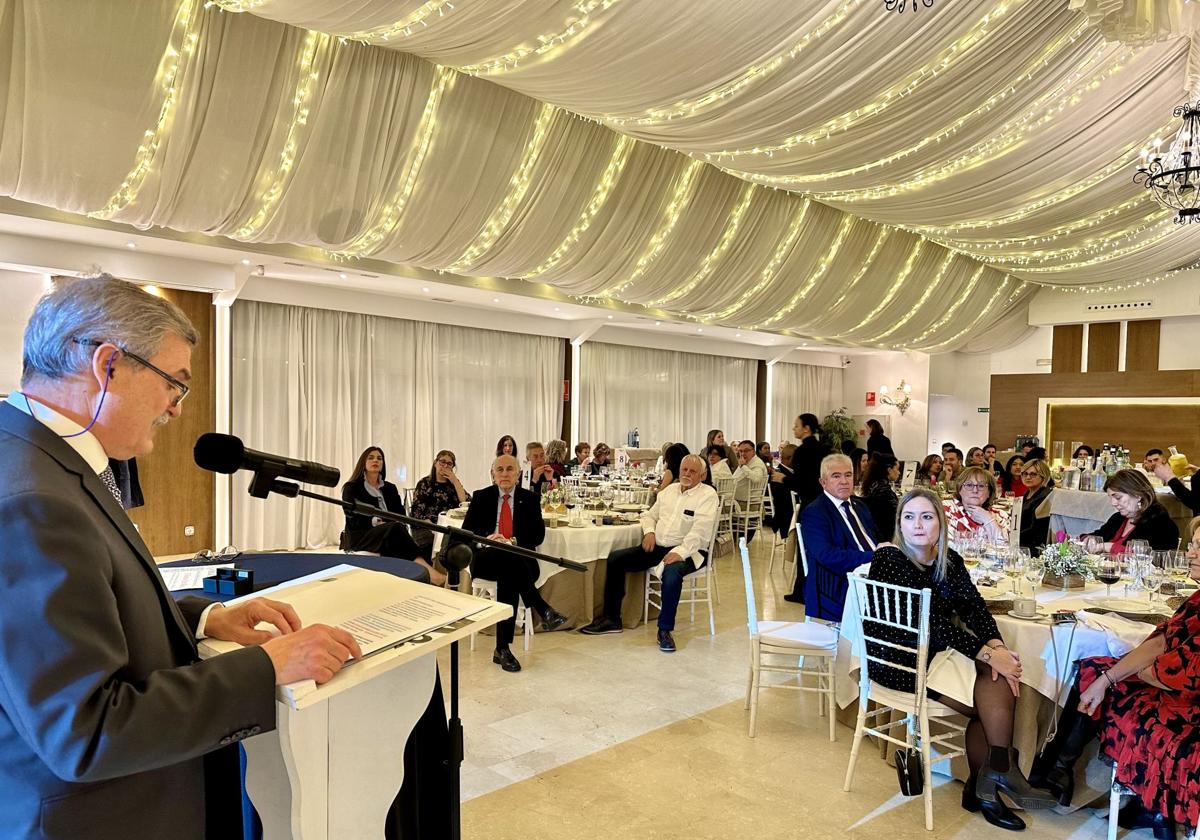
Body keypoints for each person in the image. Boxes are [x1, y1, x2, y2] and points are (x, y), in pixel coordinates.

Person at [0, 275, 361, 839]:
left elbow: (89, 606)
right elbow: (86, 730)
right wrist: (267, 667)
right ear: (108, 364)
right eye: (175, 383)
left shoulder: (37, 456)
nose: (175, 410)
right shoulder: (31, 499)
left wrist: (201, 617)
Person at [867, 489, 1057, 831]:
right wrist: (988, 654)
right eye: (909, 517)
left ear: (941, 521)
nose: (918, 525)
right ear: (899, 524)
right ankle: (992, 779)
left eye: (927, 516)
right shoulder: (890, 559)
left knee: (994, 675)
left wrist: (995, 646)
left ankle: (984, 784)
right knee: (990, 692)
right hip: (902, 660)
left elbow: (975, 608)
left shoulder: (948, 560)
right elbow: (930, 624)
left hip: (937, 654)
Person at [1030, 537, 1200, 837]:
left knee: (1102, 678)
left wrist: (1117, 678)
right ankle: (1059, 769)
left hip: (1189, 708)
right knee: (1096, 669)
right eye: (1192, 544)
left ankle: (1059, 770)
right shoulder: (1197, 598)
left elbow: (1175, 673)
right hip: (1176, 687)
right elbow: (1162, 641)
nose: (1190, 553)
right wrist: (1108, 678)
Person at [579, 455, 718, 652]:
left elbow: (701, 531)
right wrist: (650, 532)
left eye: (693, 471)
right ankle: (612, 619)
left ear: (702, 475)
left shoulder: (707, 495)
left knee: (671, 575)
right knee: (617, 559)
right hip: (659, 546)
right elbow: (650, 516)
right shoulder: (669, 491)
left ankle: (664, 630)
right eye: (684, 469)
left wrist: (680, 552)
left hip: (690, 551)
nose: (687, 474)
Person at [455, 454, 567, 672]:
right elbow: (467, 533)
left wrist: (511, 541)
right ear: (493, 474)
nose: (504, 474)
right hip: (486, 557)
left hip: (521, 560)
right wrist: (487, 539)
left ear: (518, 474)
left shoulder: (531, 499)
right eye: (500, 469)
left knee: (509, 567)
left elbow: (537, 536)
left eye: (509, 469)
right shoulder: (481, 497)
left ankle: (502, 648)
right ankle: (540, 608)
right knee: (507, 559)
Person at [341, 445, 446, 586]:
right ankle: (432, 575)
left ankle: (421, 577)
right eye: (371, 458)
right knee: (396, 531)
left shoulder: (390, 488)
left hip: (389, 532)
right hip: (361, 536)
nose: (375, 461)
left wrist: (388, 525)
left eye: (379, 458)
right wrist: (377, 522)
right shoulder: (352, 487)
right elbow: (353, 519)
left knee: (397, 533)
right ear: (363, 463)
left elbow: (400, 515)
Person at [799, 454, 879, 620]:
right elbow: (827, 555)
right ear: (823, 482)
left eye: (848, 475)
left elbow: (875, 540)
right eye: (836, 476)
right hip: (840, 582)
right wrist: (875, 558)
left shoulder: (860, 506)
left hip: (872, 573)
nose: (844, 481)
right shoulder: (815, 512)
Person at [784, 413, 832, 603]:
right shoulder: (824, 449)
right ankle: (819, 589)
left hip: (809, 505)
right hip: (824, 503)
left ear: (806, 428)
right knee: (820, 547)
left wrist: (784, 479)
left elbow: (803, 482)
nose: (794, 429)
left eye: (796, 426)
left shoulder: (804, 451)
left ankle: (802, 591)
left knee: (804, 548)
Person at [1082, 468, 1180, 553]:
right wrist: (1088, 540)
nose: (1113, 503)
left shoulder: (1162, 525)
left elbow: (1153, 559)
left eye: (1118, 497)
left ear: (1138, 495)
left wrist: (1110, 547)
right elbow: (1097, 536)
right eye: (1110, 498)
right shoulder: (1118, 518)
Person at [410, 450, 470, 551]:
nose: (445, 466)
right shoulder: (425, 483)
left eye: (449, 464)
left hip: (451, 526)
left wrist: (455, 481)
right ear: (435, 463)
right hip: (427, 525)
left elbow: (465, 503)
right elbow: (417, 513)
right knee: (437, 542)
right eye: (442, 462)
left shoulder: (454, 485)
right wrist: (433, 527)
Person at [943, 467, 1010, 546]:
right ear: (960, 489)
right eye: (969, 485)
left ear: (989, 492)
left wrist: (988, 520)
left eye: (981, 486)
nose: (975, 490)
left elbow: (1005, 550)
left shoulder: (1000, 516)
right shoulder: (948, 510)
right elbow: (949, 547)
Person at [860, 453, 900, 542]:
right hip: (888, 536)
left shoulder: (871, 485)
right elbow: (897, 517)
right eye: (897, 469)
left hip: (875, 534)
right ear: (889, 470)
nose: (899, 472)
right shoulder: (885, 492)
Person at [1017, 459, 1053, 551]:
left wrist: (1011, 536)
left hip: (1033, 548)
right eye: (1025, 473)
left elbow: (1036, 529)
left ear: (1043, 476)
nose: (1028, 477)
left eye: (1033, 474)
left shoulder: (1045, 497)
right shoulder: (1028, 493)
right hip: (1021, 542)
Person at [768, 442, 799, 532]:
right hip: (786, 516)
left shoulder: (793, 472)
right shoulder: (778, 474)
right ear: (789, 458)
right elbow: (784, 500)